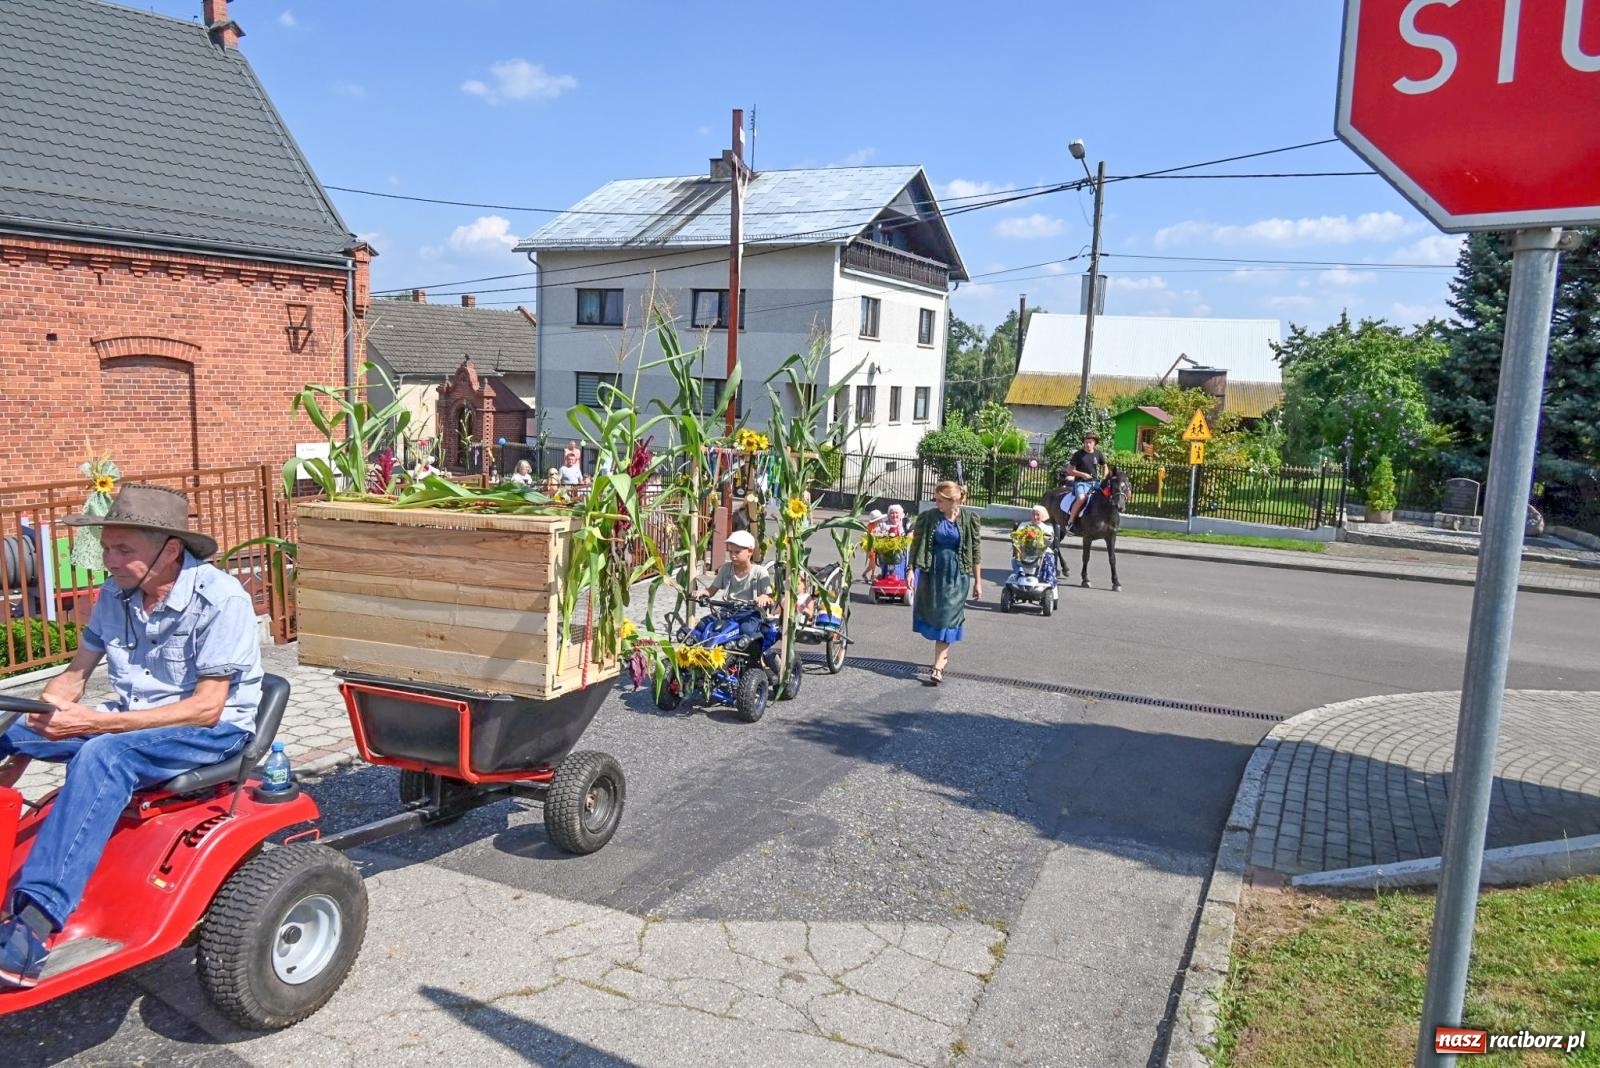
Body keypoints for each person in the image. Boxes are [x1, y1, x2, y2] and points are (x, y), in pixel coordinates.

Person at [0, 484, 262, 989]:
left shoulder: (220, 599)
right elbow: (76, 675)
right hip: (133, 720)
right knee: (10, 727)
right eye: (106, 548)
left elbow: (207, 709)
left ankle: (33, 926)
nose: (109, 561)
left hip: (210, 731)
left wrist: (93, 723)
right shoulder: (114, 595)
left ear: (169, 550)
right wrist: (45, 711)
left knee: (103, 755)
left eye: (123, 550)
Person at [909, 481, 982, 685]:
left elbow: (975, 551)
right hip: (933, 573)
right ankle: (942, 658)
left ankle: (938, 665)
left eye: (940, 500)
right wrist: (910, 569)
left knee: (948, 617)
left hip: (958, 576)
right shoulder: (930, 518)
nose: (936, 503)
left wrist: (978, 581)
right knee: (936, 615)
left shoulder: (969, 519)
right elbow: (916, 545)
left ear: (953, 500)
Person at [695, 529, 773, 608]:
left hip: (751, 613)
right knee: (707, 621)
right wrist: (704, 592)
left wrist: (764, 597)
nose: (732, 555)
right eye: (730, 552)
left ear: (750, 551)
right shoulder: (726, 568)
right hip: (729, 611)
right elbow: (711, 590)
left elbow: (768, 596)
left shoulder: (760, 572)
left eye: (737, 552)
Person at [1063, 433, 1107, 534]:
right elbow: (1070, 470)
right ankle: (1070, 522)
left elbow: (1105, 466)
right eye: (1086, 442)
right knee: (1081, 498)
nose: (1087, 444)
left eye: (1090, 442)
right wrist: (1083, 475)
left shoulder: (1098, 454)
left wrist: (1104, 477)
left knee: (1105, 496)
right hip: (1080, 483)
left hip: (1095, 483)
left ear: (1094, 443)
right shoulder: (1078, 455)